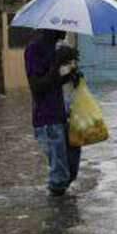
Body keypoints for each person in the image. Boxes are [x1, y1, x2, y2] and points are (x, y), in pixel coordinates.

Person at [24, 29, 82, 196]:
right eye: (61, 25)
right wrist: (57, 62)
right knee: (59, 177)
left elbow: (53, 83)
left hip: (64, 117)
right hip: (47, 120)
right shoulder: (34, 49)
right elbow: (37, 87)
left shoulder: (57, 48)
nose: (65, 30)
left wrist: (69, 77)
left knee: (71, 171)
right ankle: (56, 217)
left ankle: (65, 213)